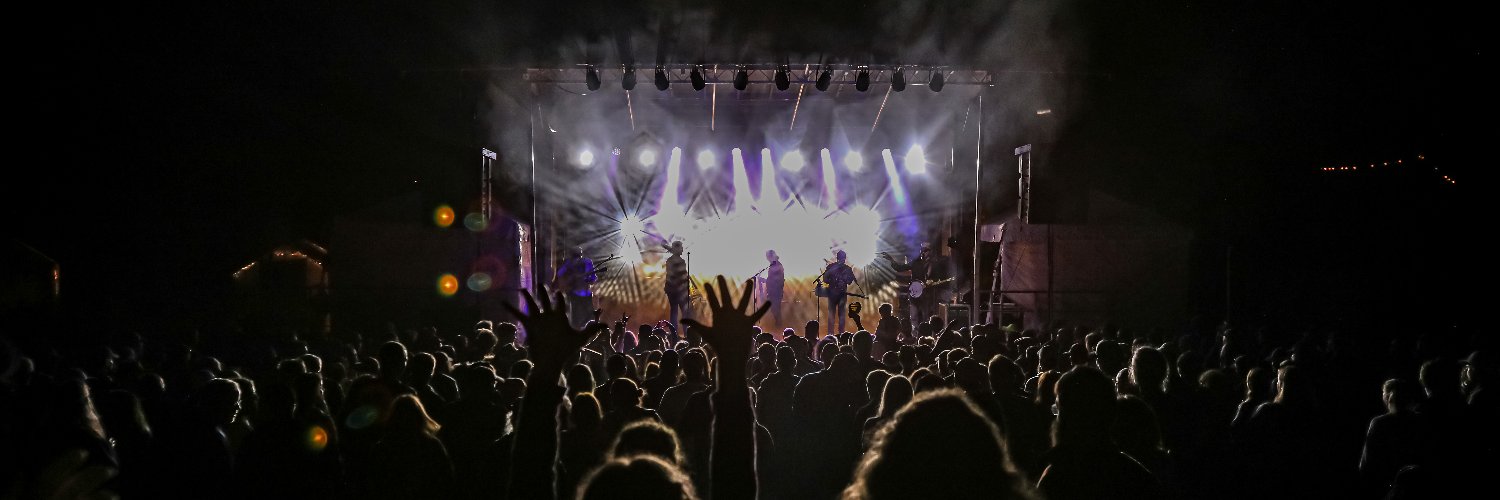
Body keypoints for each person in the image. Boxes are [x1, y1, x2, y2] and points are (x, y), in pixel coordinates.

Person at [880, 243, 950, 337]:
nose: (923, 252)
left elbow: (940, 278)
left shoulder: (934, 264)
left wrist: (932, 281)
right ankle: (914, 336)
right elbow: (899, 268)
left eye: (926, 250)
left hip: (927, 295)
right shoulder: (915, 263)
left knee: (926, 317)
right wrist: (891, 260)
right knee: (914, 316)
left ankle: (927, 337)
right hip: (914, 294)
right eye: (922, 250)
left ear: (930, 251)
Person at [552, 246, 598, 329]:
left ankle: (587, 332)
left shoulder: (587, 262)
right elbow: (559, 273)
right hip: (575, 294)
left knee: (588, 318)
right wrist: (571, 275)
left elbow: (593, 278)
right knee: (576, 318)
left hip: (585, 294)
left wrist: (587, 279)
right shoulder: (570, 263)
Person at [819, 250, 857, 335]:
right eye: (840, 258)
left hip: (842, 294)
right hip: (832, 294)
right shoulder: (831, 267)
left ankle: (841, 334)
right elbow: (825, 279)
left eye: (843, 258)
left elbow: (849, 281)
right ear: (837, 258)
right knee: (831, 315)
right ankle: (830, 334)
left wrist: (844, 279)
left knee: (841, 315)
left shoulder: (847, 268)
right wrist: (831, 275)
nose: (842, 260)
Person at [664, 241, 692, 328]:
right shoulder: (680, 261)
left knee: (674, 311)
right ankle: (686, 332)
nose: (682, 249)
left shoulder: (669, 260)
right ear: (677, 249)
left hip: (671, 290)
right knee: (684, 312)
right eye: (681, 248)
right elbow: (681, 276)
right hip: (678, 290)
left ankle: (674, 332)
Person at [758, 250, 785, 329]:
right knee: (774, 310)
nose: (767, 258)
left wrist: (762, 280)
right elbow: (771, 280)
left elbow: (775, 280)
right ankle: (778, 326)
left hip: (776, 292)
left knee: (775, 310)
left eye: (768, 256)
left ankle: (779, 327)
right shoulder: (773, 265)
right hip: (773, 291)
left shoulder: (777, 265)